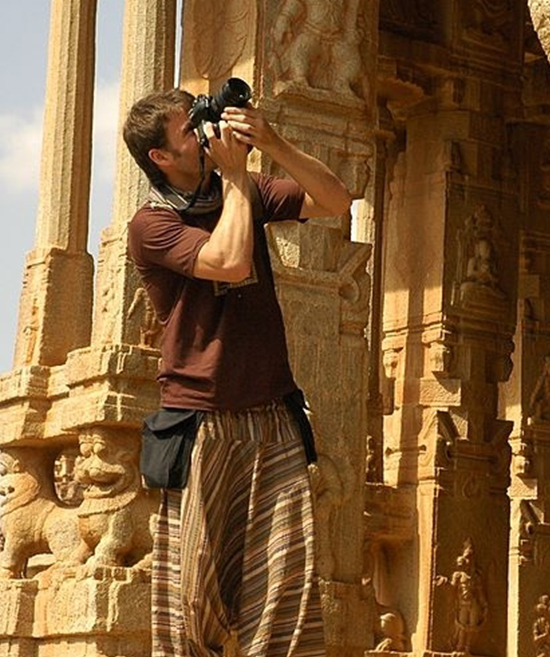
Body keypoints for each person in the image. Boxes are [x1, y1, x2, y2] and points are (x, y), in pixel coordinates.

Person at [122, 88, 350, 657]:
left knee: (285, 594)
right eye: (188, 133)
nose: (203, 137)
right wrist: (236, 180)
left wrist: (271, 142)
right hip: (202, 421)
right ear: (160, 157)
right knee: (196, 598)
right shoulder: (151, 224)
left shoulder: (237, 185)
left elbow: (336, 199)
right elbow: (229, 260)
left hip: (272, 414)